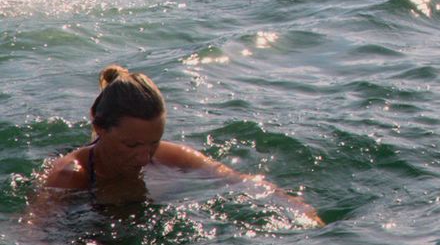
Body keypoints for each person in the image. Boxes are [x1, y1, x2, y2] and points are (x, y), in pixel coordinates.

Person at [31, 65, 320, 224]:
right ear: (99, 128)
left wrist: (295, 205)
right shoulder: (71, 175)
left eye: (153, 143)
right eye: (131, 145)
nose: (144, 157)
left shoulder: (171, 156)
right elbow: (35, 234)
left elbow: (240, 181)